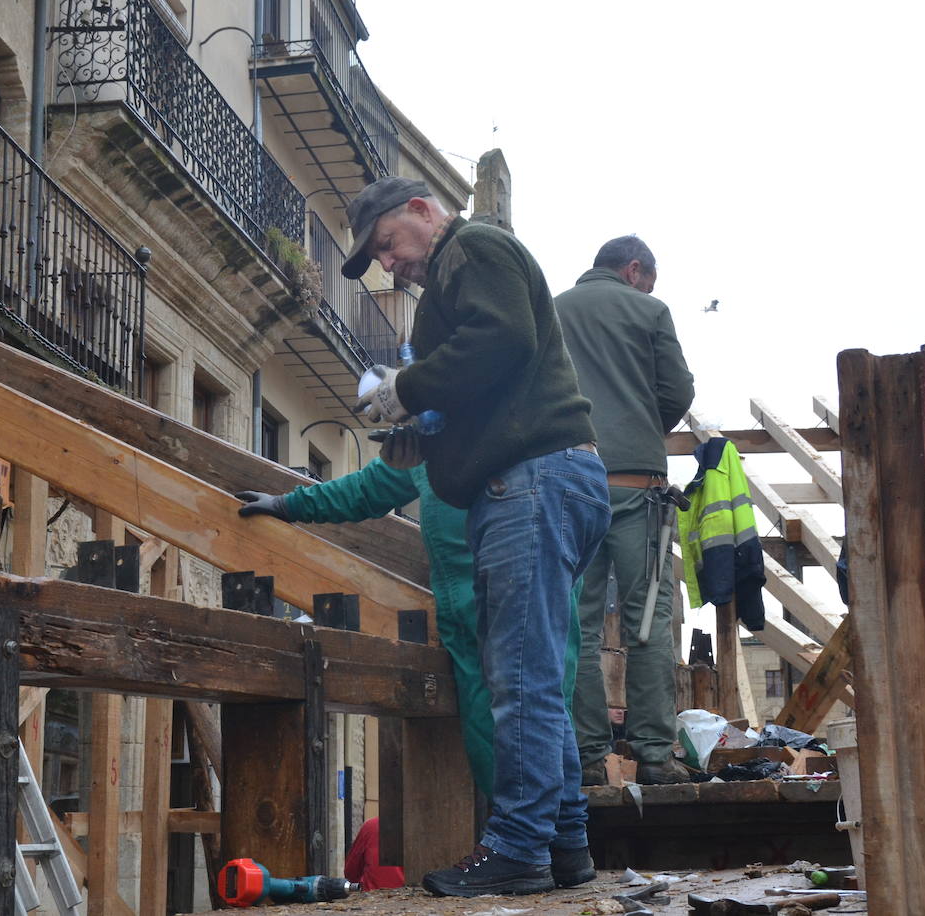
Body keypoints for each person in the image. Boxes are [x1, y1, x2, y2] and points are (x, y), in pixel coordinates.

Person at [346, 176, 610, 897]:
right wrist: (421, 440)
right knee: (534, 674)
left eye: (388, 245)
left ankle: (519, 847)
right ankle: (563, 844)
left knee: (520, 676)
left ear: (423, 212)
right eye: (379, 257)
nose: (389, 265)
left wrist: (408, 387)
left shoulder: (474, 248)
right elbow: (493, 379)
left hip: (530, 484)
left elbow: (501, 340)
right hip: (543, 482)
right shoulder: (461, 271)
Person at [235, 430, 585, 801]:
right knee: (496, 736)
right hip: (469, 623)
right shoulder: (425, 447)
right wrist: (289, 505)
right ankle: (541, 848)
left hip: (520, 606)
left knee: (534, 723)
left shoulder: (517, 432)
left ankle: (543, 849)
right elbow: (369, 487)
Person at [554, 236, 695, 787]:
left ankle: (588, 758)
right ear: (634, 271)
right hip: (638, 485)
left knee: (578, 626)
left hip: (570, 484)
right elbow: (676, 391)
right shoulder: (650, 310)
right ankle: (656, 756)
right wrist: (640, 422)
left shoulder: (553, 310)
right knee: (647, 620)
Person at [343, 818, 404, 891]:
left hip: (373, 896)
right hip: (409, 898)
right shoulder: (418, 830)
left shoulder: (371, 826)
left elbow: (351, 871)